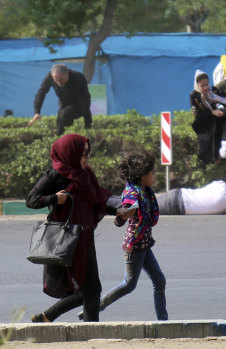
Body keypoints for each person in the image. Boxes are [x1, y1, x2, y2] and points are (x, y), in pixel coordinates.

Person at [25, 134, 127, 322]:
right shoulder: (55, 176)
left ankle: (52, 317)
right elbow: (31, 200)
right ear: (70, 153)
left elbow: (96, 202)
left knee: (91, 289)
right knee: (90, 289)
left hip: (84, 238)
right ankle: (83, 328)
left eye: (88, 152)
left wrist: (117, 211)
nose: (87, 157)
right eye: (84, 153)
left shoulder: (86, 175)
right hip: (64, 240)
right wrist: (54, 198)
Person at [87, 151, 168, 321]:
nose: (155, 176)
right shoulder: (132, 193)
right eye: (153, 173)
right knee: (129, 285)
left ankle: (163, 321)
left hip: (145, 244)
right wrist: (122, 215)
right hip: (135, 247)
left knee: (159, 281)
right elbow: (121, 216)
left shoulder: (146, 190)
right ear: (142, 176)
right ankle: (97, 306)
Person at [153, 174, 226, 215]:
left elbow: (214, 197)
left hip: (178, 193)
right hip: (176, 205)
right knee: (141, 211)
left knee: (143, 205)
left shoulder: (219, 183)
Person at [29, 64, 92, 135]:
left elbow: (84, 101)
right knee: (59, 124)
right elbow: (41, 92)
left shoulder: (78, 78)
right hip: (64, 103)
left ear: (67, 74)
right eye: (56, 80)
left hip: (79, 104)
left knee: (64, 114)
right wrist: (37, 112)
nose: (59, 82)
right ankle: (62, 139)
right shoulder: (50, 77)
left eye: (61, 79)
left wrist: (88, 125)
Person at [190, 70, 226, 164]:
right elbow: (198, 114)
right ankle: (214, 157)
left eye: (207, 84)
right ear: (197, 85)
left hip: (218, 115)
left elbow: (221, 102)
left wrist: (221, 111)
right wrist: (212, 113)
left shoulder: (213, 91)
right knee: (214, 126)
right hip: (204, 121)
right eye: (202, 86)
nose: (205, 88)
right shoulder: (195, 95)